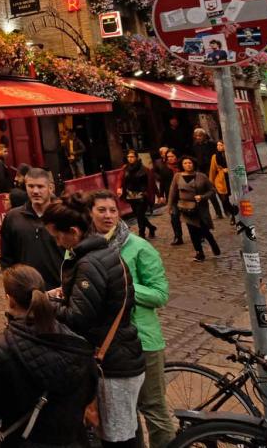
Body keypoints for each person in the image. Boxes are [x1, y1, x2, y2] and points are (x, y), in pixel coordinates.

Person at [44, 196, 146, 448]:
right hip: (121, 354)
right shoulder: (103, 254)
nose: (57, 243)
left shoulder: (90, 263)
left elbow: (78, 317)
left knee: (118, 439)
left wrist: (45, 304)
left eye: (58, 237)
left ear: (74, 231)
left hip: (113, 364)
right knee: (123, 433)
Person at [0, 265, 98, 448]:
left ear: (10, 300)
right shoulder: (77, 342)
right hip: (71, 440)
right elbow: (88, 392)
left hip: (23, 440)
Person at [88, 190, 174, 448]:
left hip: (143, 341)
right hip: (105, 347)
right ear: (90, 214)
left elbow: (160, 294)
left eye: (112, 210)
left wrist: (122, 287)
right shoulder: (83, 248)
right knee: (121, 416)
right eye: (101, 210)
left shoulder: (138, 247)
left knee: (154, 409)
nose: (108, 215)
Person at [0, 168, 62, 290]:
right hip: (27, 291)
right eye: (31, 186)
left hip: (60, 289)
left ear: (50, 188)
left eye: (40, 186)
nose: (35, 191)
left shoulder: (62, 214)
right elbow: (6, 258)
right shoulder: (13, 217)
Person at [168, 156, 221, 262]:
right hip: (186, 208)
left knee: (204, 229)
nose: (188, 165)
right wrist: (170, 206)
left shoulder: (201, 176)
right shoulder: (177, 176)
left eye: (190, 163)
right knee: (192, 231)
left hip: (200, 208)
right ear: (182, 165)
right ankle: (199, 253)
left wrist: (202, 197)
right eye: (185, 163)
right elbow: (172, 192)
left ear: (194, 164)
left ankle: (213, 244)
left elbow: (212, 190)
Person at [120, 151, 157, 239]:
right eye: (128, 157)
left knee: (140, 215)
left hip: (142, 195)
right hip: (130, 195)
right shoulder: (126, 168)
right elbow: (122, 180)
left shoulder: (144, 169)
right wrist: (121, 189)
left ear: (136, 157)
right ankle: (151, 227)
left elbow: (151, 183)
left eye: (132, 157)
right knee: (138, 215)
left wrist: (153, 194)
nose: (130, 158)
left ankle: (142, 234)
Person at [161, 149, 185, 246]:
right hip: (172, 196)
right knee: (174, 217)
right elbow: (162, 182)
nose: (170, 159)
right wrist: (160, 195)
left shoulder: (182, 166)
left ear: (176, 156)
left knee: (189, 216)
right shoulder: (164, 168)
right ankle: (178, 236)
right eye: (168, 157)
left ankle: (199, 235)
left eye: (172, 156)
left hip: (184, 195)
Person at [209, 140, 235, 220]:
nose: (218, 147)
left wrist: (229, 169)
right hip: (220, 180)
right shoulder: (215, 156)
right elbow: (212, 170)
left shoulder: (231, 155)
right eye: (217, 145)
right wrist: (211, 183)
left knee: (235, 198)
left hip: (231, 179)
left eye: (221, 145)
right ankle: (233, 213)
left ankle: (234, 215)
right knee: (224, 200)